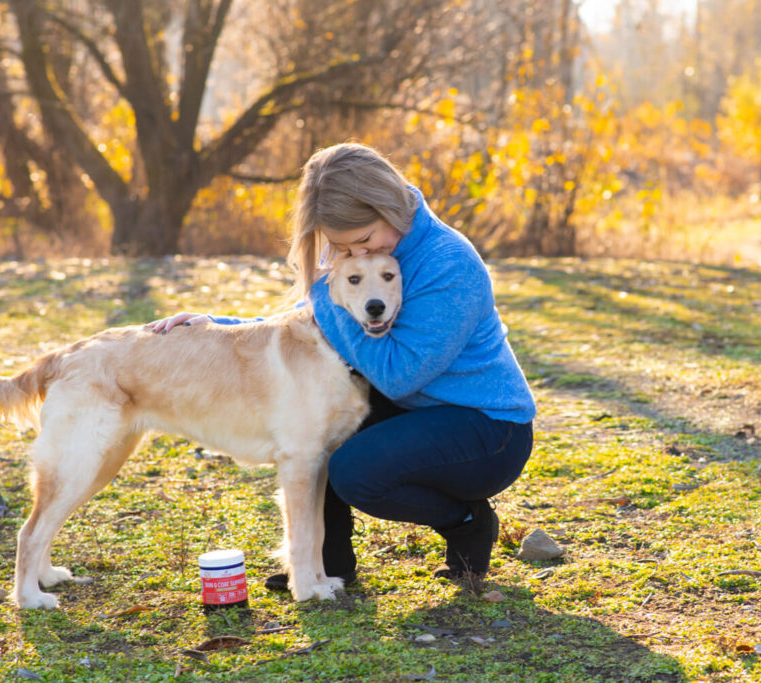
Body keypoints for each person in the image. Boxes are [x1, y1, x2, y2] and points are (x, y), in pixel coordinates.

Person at [147, 143, 536, 587]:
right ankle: (327, 563)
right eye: (339, 247)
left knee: (355, 471)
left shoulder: (449, 264)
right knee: (314, 419)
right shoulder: (355, 252)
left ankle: (466, 520)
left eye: (364, 241)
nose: (350, 254)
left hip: (485, 428)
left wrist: (326, 294)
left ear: (389, 207)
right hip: (412, 407)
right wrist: (220, 325)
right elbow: (309, 321)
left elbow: (398, 373)